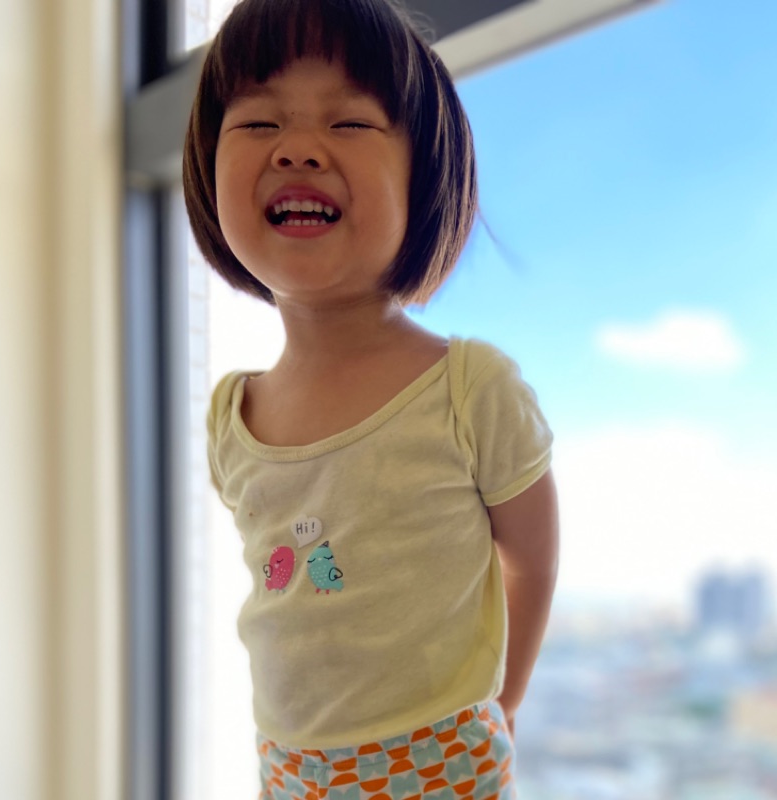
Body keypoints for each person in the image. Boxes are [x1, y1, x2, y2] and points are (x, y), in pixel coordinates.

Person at [183, 0, 559, 797]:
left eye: (349, 123)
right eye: (258, 124)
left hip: (441, 762)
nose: (297, 150)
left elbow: (530, 554)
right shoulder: (230, 416)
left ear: (424, 175)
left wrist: (508, 698)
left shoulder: (468, 388)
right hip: (287, 765)